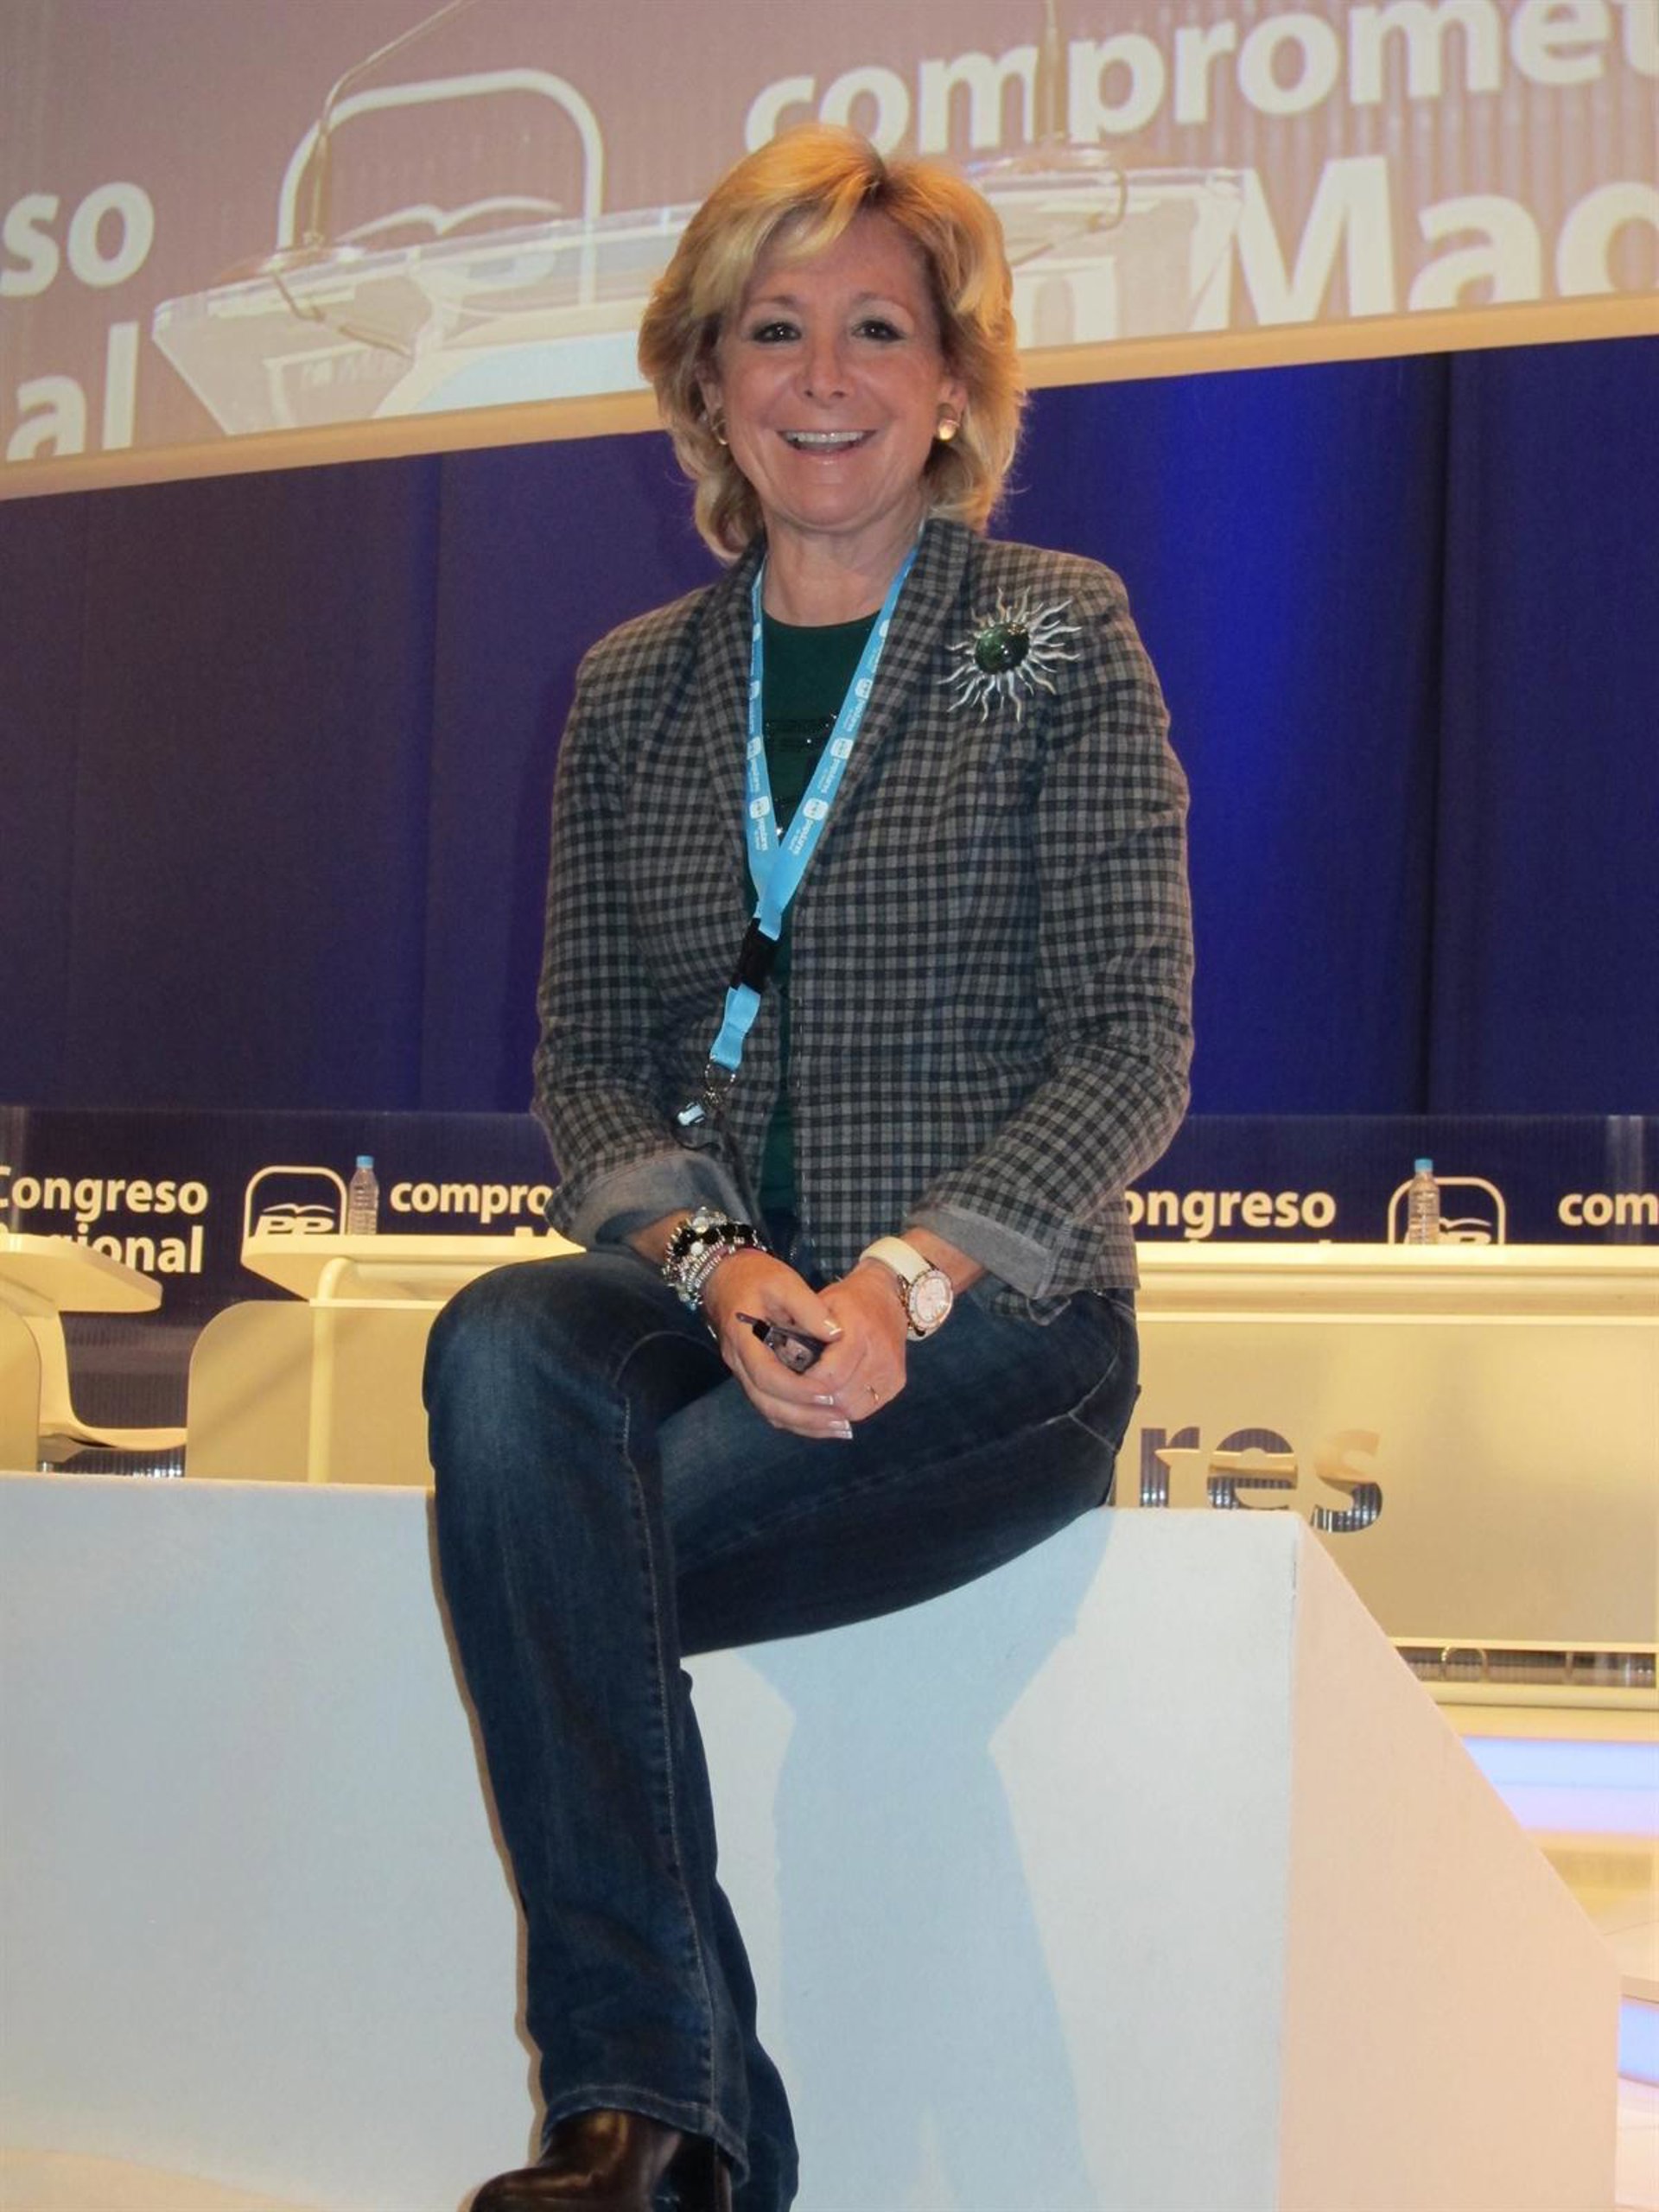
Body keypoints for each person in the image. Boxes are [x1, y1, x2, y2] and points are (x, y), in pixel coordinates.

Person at [424, 123, 1192, 2212]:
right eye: (776, 330)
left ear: (952, 384)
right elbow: (590, 1064)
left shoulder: (1052, 630)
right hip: (724, 1296)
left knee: (573, 1538)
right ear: (709, 378)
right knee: (500, 1343)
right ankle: (671, 2123)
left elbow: (1132, 1039)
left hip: (999, 1326)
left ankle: (657, 2125)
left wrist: (903, 1278)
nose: (826, 376)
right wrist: (711, 1263)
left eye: (879, 328)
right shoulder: (631, 688)